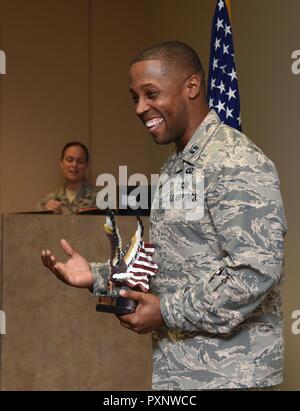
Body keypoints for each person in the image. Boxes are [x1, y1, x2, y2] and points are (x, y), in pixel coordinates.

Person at [41, 41, 287, 390]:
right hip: (180, 374)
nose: (140, 108)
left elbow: (254, 272)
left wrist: (166, 311)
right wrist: (98, 276)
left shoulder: (236, 162)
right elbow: (170, 264)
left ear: (191, 87)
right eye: (134, 97)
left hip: (231, 376)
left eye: (151, 93)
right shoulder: (175, 166)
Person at [37, 141, 98, 214]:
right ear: (61, 163)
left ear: (86, 165)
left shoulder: (100, 198)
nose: (74, 165)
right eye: (70, 160)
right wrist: (50, 216)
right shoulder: (48, 201)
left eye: (80, 161)